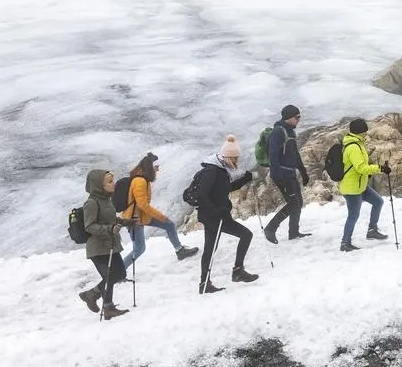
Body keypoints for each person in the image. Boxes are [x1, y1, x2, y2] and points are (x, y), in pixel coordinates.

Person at [194, 135, 258, 294]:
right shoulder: (212, 171)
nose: (237, 161)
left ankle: (236, 272)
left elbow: (224, 189)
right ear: (228, 156)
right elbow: (201, 194)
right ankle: (205, 284)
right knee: (211, 248)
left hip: (220, 215)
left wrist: (244, 179)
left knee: (244, 235)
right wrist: (214, 210)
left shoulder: (221, 170)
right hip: (213, 216)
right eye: (235, 158)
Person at [119, 152, 199, 269]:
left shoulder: (143, 179)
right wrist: (161, 216)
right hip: (134, 219)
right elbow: (143, 205)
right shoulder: (140, 181)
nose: (158, 169)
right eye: (156, 167)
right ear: (149, 167)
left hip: (142, 216)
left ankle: (180, 251)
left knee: (169, 225)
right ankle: (118, 272)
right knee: (139, 249)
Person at [78, 169, 132, 319]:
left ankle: (92, 294)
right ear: (98, 185)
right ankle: (107, 307)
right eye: (109, 182)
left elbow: (109, 218)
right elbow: (89, 226)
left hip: (110, 244)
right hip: (98, 246)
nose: (113, 184)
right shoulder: (91, 203)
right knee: (110, 276)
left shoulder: (105, 200)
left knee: (120, 273)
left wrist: (124, 221)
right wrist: (109, 229)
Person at [338, 119, 391, 252]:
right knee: (353, 215)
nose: (366, 134)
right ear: (359, 131)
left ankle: (372, 230)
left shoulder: (358, 143)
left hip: (360, 186)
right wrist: (380, 168)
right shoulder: (353, 147)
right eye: (364, 131)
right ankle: (345, 243)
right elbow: (361, 168)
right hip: (352, 189)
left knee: (378, 202)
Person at [264, 104, 310, 243]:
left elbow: (295, 154)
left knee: (298, 201)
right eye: (297, 117)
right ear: (289, 117)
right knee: (294, 203)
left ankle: (294, 232)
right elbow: (273, 154)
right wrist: (276, 173)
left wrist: (303, 171)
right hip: (282, 174)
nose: (299, 120)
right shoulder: (278, 132)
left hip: (290, 173)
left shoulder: (290, 132)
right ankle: (271, 228)